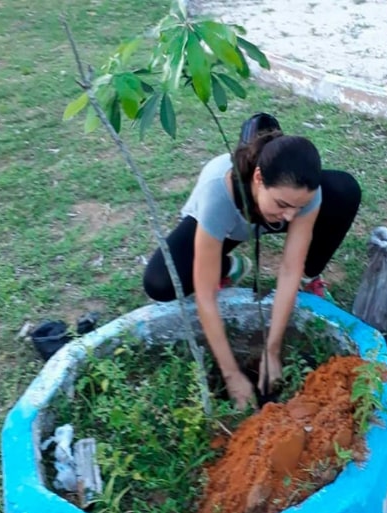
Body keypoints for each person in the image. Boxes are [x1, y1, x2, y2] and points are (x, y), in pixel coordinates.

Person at [143, 113, 361, 409]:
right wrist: (232, 373)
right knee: (160, 282)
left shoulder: (300, 199)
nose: (290, 217)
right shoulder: (217, 193)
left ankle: (312, 280)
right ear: (259, 178)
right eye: (283, 204)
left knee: (344, 189)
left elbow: (288, 269)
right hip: (230, 223)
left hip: (263, 211)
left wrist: (272, 349)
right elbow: (205, 295)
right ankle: (229, 266)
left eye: (298, 207)